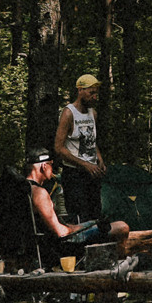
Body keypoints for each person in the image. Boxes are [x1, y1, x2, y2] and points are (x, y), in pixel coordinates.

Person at [16, 148, 133, 268]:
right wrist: (79, 228)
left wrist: (77, 226)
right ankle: (119, 268)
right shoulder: (39, 193)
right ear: (44, 166)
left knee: (95, 223)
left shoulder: (19, 192)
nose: (53, 170)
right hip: (59, 248)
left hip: (37, 248)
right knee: (121, 227)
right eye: (52, 165)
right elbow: (60, 233)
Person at [55, 73, 108, 227]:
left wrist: (100, 159)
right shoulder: (68, 113)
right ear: (80, 91)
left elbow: (91, 140)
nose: (94, 97)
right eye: (91, 93)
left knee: (95, 215)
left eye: (96, 93)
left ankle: (96, 249)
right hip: (74, 174)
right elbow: (58, 148)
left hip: (92, 173)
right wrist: (85, 164)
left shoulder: (93, 113)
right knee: (80, 218)